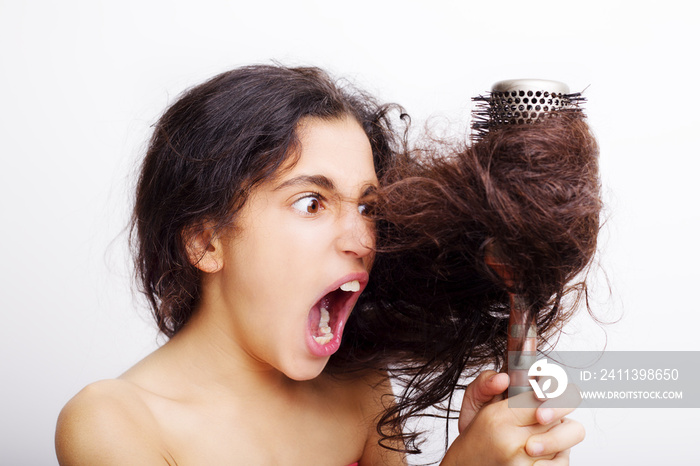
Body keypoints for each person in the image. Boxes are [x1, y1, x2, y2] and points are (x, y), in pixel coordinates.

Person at [55, 64, 586, 465]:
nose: (360, 239)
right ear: (205, 240)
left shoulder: (362, 391)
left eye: (368, 207)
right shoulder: (113, 421)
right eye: (312, 202)